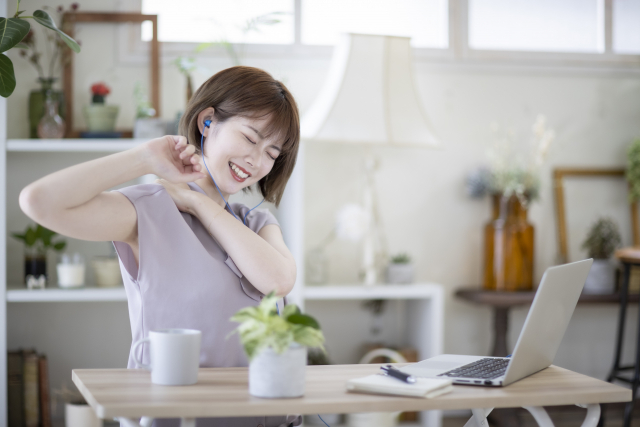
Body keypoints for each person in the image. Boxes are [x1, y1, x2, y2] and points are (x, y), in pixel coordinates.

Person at [19, 66, 301, 427]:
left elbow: (278, 280)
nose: (257, 161)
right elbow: (39, 202)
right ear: (207, 122)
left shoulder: (258, 224)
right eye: (250, 138)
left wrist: (200, 204)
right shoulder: (150, 210)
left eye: (272, 152)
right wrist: (143, 158)